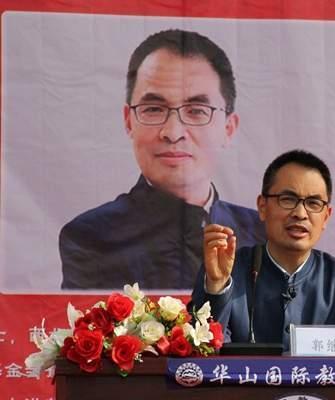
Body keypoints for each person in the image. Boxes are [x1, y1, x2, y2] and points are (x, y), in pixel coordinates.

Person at [60, 29, 265, 289]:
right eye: (154, 109)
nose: (173, 132)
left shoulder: (263, 235)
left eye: (196, 111)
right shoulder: (91, 237)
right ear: (128, 121)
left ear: (228, 128)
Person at [188, 150, 335, 351]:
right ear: (262, 207)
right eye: (288, 199)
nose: (300, 214)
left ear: (326, 216)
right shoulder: (227, 271)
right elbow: (205, 354)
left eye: (313, 203)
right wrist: (217, 287)